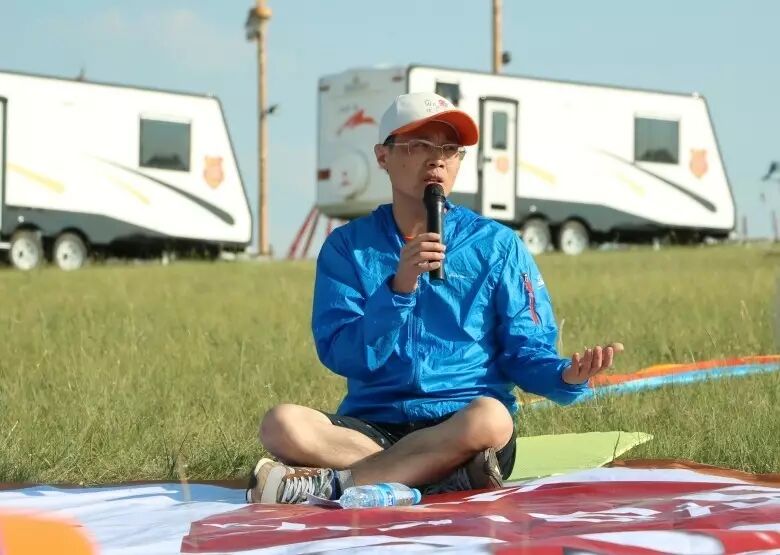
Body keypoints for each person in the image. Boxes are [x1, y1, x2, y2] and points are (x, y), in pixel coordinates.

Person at [246, 92, 624, 504]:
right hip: (373, 425)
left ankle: (335, 485)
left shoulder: (497, 245)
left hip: (461, 422)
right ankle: (435, 476)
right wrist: (398, 289)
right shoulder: (347, 247)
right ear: (383, 156)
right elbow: (342, 354)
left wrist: (565, 376)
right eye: (419, 145)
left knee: (492, 418)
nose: (437, 160)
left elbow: (525, 350)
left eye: (449, 149)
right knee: (281, 424)